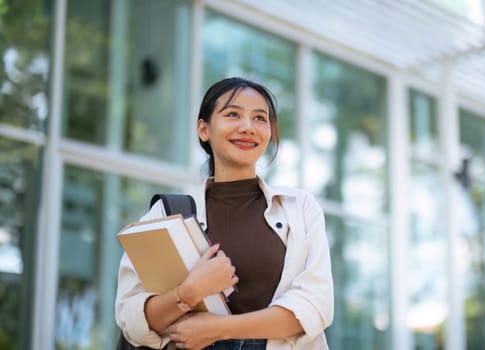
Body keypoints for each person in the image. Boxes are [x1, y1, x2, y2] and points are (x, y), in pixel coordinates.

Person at [115, 77, 334, 350]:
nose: (247, 127)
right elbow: (130, 315)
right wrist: (187, 293)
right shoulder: (167, 214)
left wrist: (218, 329)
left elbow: (315, 306)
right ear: (203, 129)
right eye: (233, 114)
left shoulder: (300, 208)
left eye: (259, 118)